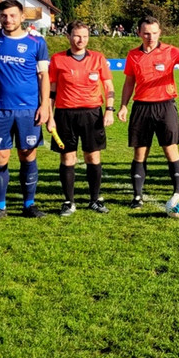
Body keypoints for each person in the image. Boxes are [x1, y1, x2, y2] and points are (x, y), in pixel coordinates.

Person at [0, 0, 50, 222]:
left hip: (28, 110)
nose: (8, 19)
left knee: (28, 154)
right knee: (0, 157)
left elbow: (44, 76)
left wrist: (45, 105)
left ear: (22, 17)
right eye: (4, 15)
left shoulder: (37, 43)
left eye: (13, 15)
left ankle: (29, 204)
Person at [118, 16, 179, 209]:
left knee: (171, 149)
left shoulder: (170, 51)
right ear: (139, 33)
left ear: (159, 32)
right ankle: (137, 196)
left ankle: (178, 193)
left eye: (154, 33)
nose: (151, 37)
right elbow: (129, 82)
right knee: (140, 153)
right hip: (141, 107)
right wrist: (123, 105)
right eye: (146, 33)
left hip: (165, 106)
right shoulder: (133, 55)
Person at [47, 21, 116, 216]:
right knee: (68, 157)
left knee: (92, 156)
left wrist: (109, 109)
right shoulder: (58, 59)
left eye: (85, 36)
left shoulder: (98, 58)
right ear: (68, 36)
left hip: (92, 114)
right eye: (77, 36)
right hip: (65, 114)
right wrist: (49, 116)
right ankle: (69, 202)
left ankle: (94, 200)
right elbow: (51, 91)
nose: (81, 40)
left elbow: (109, 87)